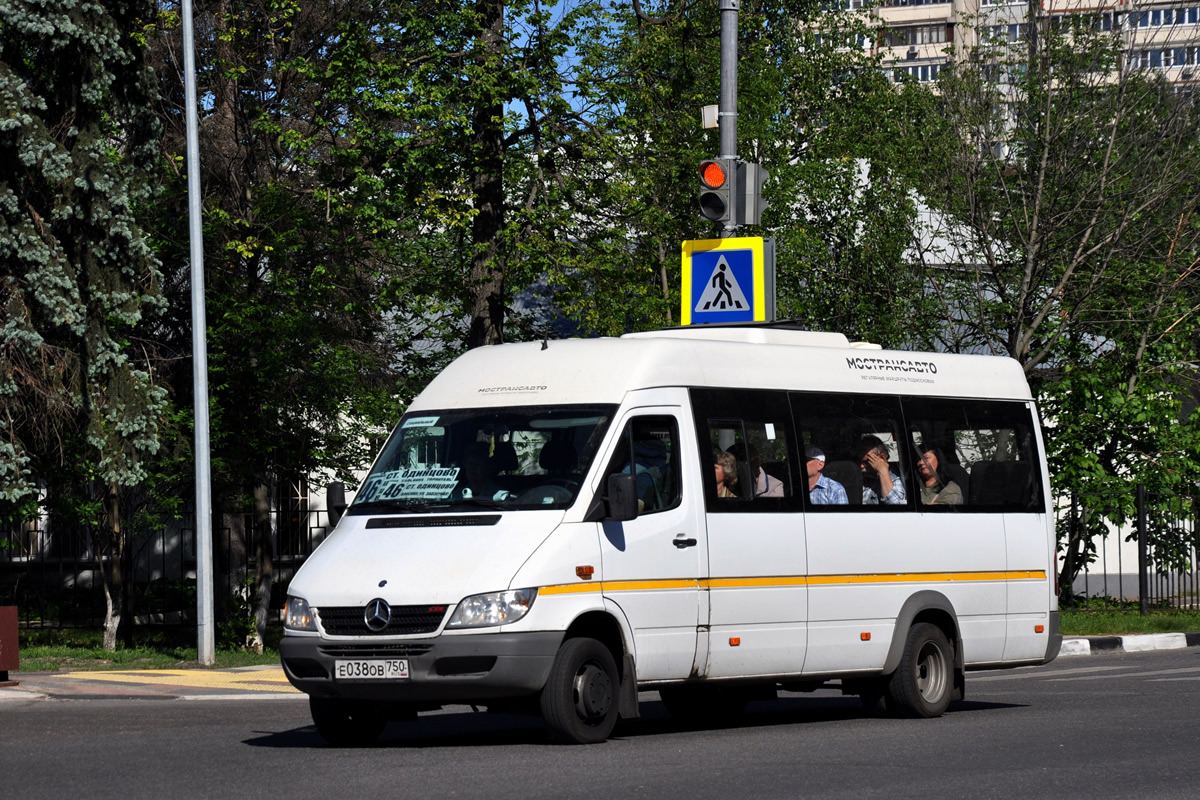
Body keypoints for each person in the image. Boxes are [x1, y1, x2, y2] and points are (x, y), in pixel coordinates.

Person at [857, 435, 906, 505]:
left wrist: (882, 470)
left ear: (882, 458)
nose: (861, 466)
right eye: (859, 462)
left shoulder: (894, 480)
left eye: (867, 462)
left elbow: (896, 505)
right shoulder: (858, 479)